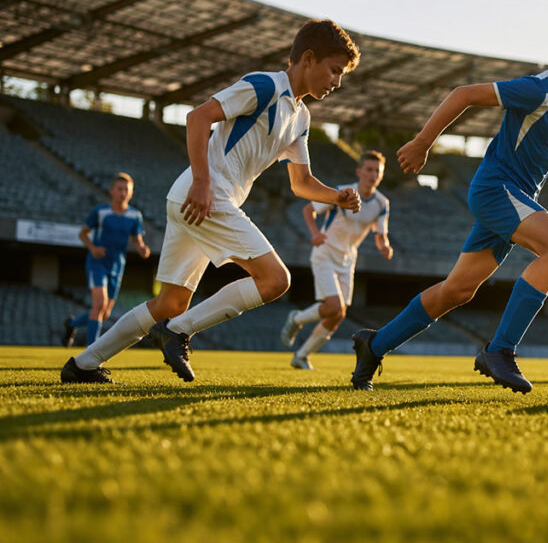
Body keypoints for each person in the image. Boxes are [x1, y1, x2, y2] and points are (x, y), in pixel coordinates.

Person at [349, 9, 548, 393]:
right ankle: (500, 350)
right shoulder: (535, 90)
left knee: (457, 291)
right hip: (496, 189)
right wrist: (422, 142)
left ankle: (373, 345)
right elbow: (464, 95)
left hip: (516, 198)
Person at [60, 19, 362, 384]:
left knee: (169, 304)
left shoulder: (301, 117)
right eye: (334, 70)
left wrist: (337, 197)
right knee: (275, 280)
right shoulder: (265, 85)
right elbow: (198, 117)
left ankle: (83, 365)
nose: (336, 82)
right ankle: (177, 331)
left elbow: (301, 183)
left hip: (194, 200)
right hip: (206, 195)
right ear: (308, 59)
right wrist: (203, 182)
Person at [280, 150, 393, 370]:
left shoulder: (382, 203)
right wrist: (315, 233)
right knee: (333, 306)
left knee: (338, 314)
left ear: (381, 175)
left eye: (377, 171)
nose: (373, 174)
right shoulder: (342, 192)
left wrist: (384, 247)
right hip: (325, 252)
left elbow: (381, 235)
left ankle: (301, 356)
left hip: (348, 259)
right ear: (359, 171)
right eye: (369, 169)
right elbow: (308, 209)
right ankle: (296, 319)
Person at [62, 173, 150, 346]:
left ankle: (71, 324)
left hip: (117, 265)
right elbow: (83, 234)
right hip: (98, 262)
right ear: (111, 191)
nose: (123, 193)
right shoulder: (100, 212)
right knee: (99, 304)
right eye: (119, 189)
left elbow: (137, 240)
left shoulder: (135, 216)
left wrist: (142, 248)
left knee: (105, 312)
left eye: (126, 190)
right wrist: (93, 248)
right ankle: (92, 349)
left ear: (131, 193)